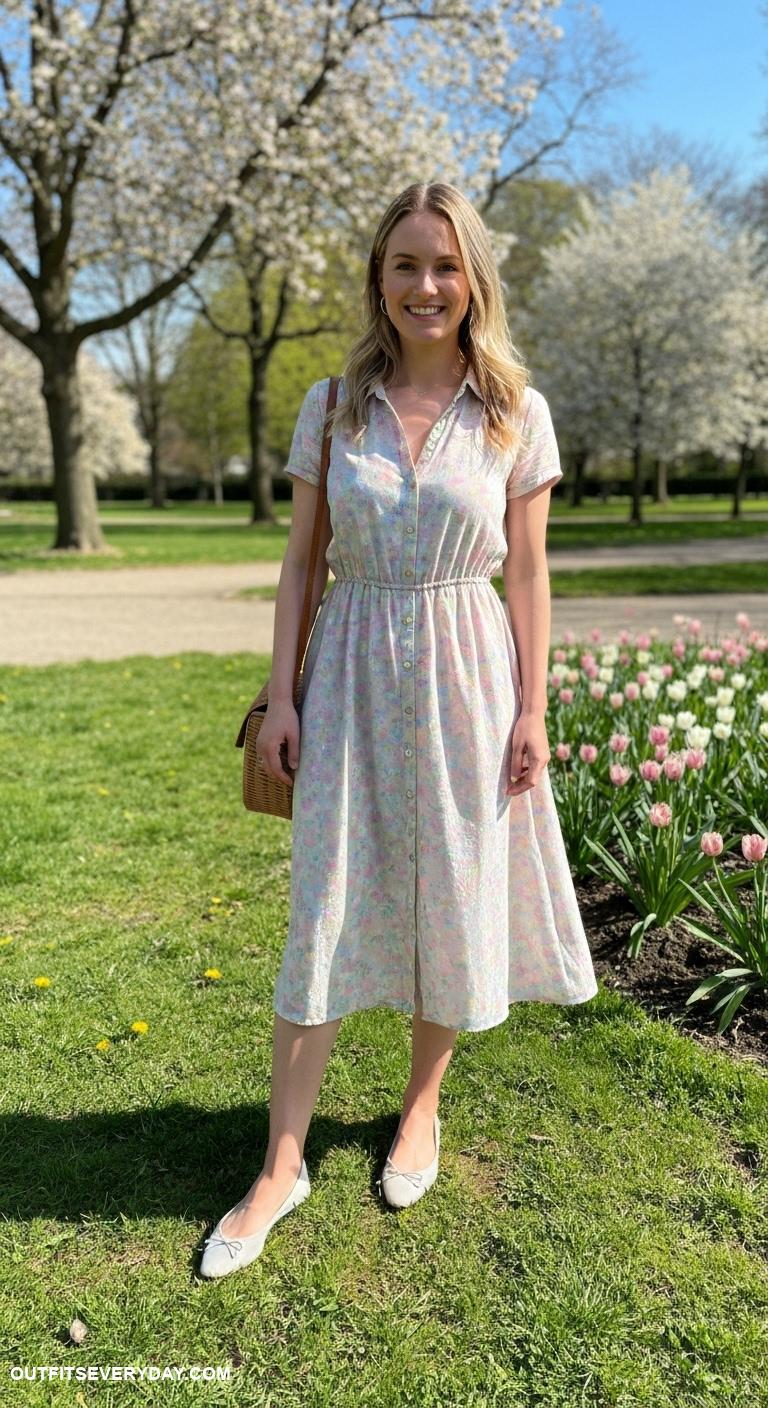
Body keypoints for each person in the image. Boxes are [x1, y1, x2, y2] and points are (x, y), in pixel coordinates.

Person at [200, 181, 598, 1280]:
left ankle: (419, 1106)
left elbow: (526, 571)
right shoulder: (332, 405)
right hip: (352, 672)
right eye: (404, 266)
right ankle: (282, 1161)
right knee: (325, 899)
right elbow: (299, 566)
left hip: (471, 676)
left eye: (445, 265)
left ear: (474, 278)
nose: (426, 286)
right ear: (378, 280)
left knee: (452, 886)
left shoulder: (517, 408)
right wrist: (280, 697)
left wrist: (533, 705)